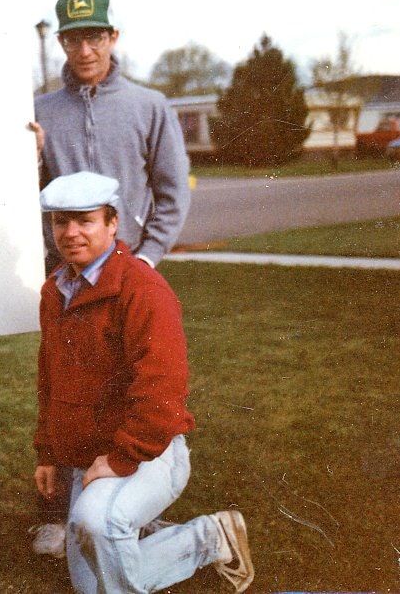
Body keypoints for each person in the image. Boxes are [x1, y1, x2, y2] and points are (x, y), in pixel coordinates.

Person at [28, 0, 192, 556]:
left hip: (128, 269)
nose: (83, 48)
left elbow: (173, 192)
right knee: (71, 376)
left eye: (94, 35)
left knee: (139, 374)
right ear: (63, 43)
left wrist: (145, 258)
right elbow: (32, 198)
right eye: (72, 38)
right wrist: (29, 159)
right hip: (70, 278)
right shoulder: (42, 111)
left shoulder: (149, 106)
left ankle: (130, 488)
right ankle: (72, 505)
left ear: (112, 37)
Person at [33, 171, 253, 593]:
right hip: (89, 457)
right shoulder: (57, 289)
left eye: (85, 220)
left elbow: (163, 393)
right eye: (61, 221)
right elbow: (51, 378)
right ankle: (209, 537)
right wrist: (48, 451)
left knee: (97, 523)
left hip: (150, 452)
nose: (71, 233)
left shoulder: (142, 289)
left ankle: (130, 524)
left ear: (112, 223)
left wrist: (120, 459)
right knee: (92, 586)